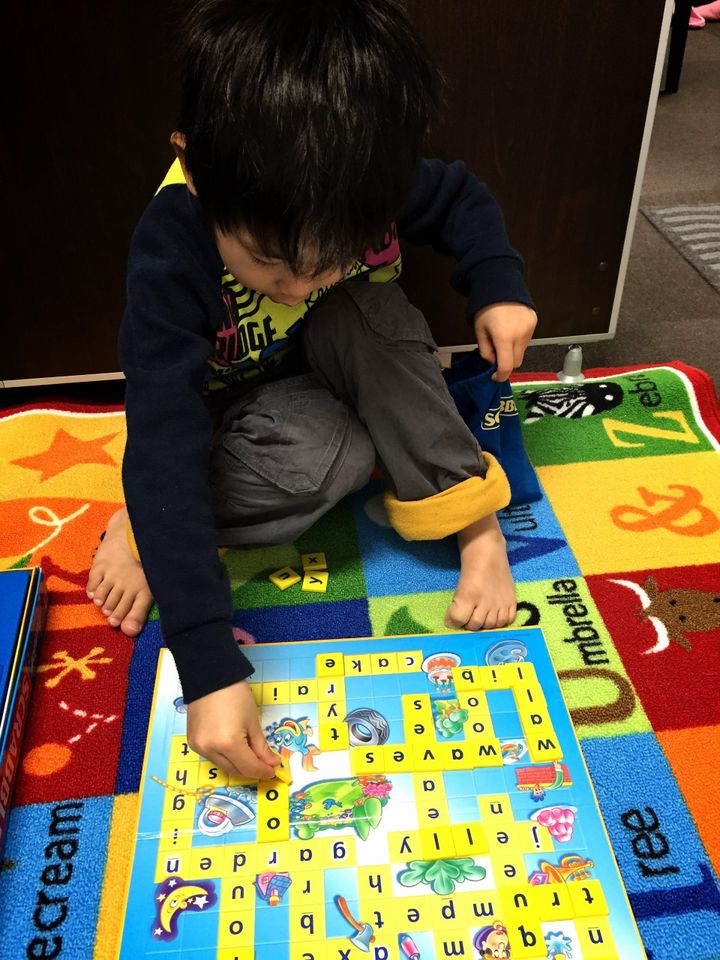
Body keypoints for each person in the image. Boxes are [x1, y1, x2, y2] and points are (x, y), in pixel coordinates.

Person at [86, 0, 537, 780]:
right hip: (237, 429)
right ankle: (142, 525)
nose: (297, 285)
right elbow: (164, 434)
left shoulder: (365, 177)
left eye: (328, 257)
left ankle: (476, 524)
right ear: (193, 166)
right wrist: (207, 661)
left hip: (328, 370)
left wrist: (499, 286)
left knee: (371, 311)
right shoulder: (172, 244)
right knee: (327, 456)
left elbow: (461, 197)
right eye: (268, 262)